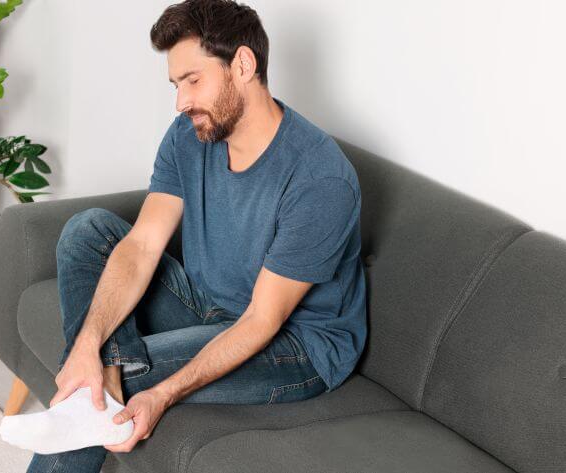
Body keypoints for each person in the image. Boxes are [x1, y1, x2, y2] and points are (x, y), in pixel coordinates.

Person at [27, 0, 367, 471]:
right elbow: (143, 244)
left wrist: (161, 394)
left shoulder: (319, 179)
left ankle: (96, 393)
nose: (181, 101)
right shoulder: (190, 135)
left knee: (103, 393)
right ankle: (100, 368)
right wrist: (87, 347)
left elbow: (261, 321)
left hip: (295, 345)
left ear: (243, 65)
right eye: (176, 84)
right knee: (88, 231)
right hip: (205, 302)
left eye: (193, 80)